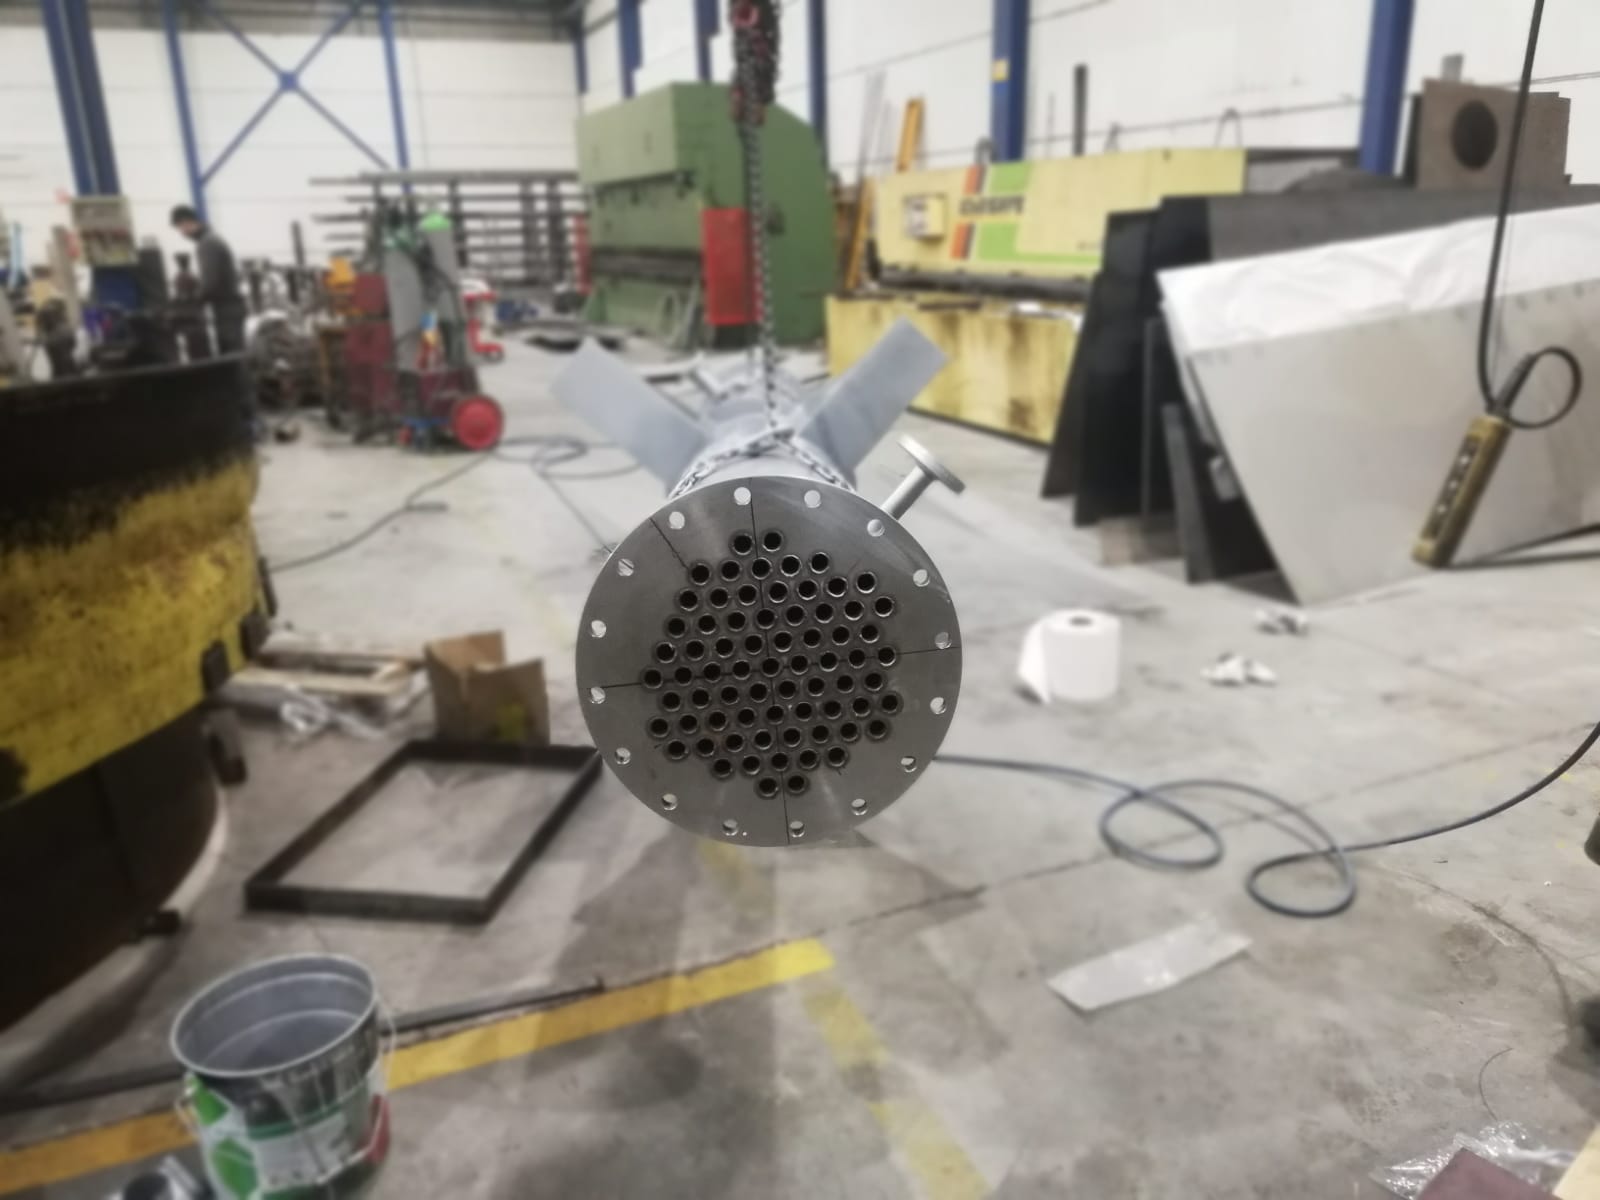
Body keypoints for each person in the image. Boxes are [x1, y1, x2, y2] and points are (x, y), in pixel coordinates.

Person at [169, 205, 245, 354]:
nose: (181, 233)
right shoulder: (211, 239)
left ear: (186, 222)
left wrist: (189, 304)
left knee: (232, 355)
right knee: (233, 352)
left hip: (227, 311)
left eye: (180, 227)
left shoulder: (207, 244)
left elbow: (210, 284)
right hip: (230, 308)